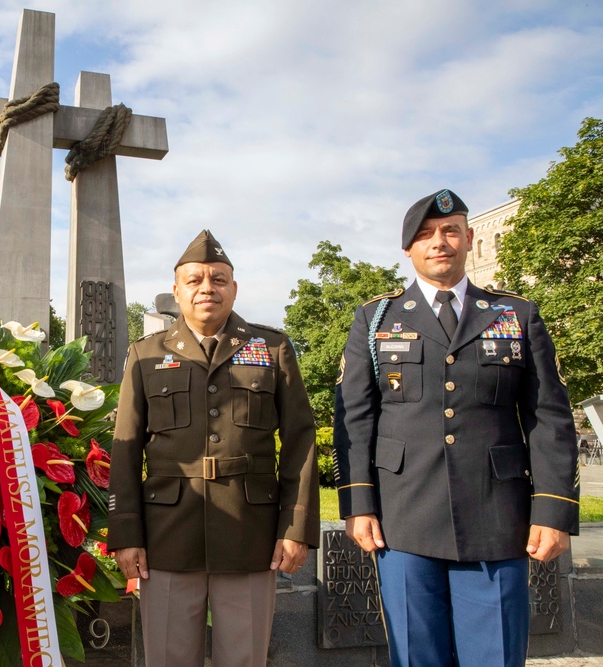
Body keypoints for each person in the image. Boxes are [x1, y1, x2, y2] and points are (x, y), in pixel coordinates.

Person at [333, 189, 580, 667]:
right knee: (417, 656)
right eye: (425, 235)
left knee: (495, 656)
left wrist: (552, 509)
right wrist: (358, 503)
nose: (439, 242)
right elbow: (355, 417)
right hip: (403, 518)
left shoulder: (515, 314)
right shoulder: (375, 318)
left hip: (496, 516)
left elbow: (548, 415)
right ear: (408, 250)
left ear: (469, 239)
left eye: (449, 231)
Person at [107, 230, 320, 667]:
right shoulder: (146, 353)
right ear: (177, 290)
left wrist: (296, 527)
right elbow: (125, 448)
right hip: (167, 533)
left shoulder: (273, 348)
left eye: (219, 279)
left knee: (244, 659)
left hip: (250, 532)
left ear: (234, 288)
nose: (208, 288)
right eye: (196, 280)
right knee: (167, 658)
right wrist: (126, 533)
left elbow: (300, 439)